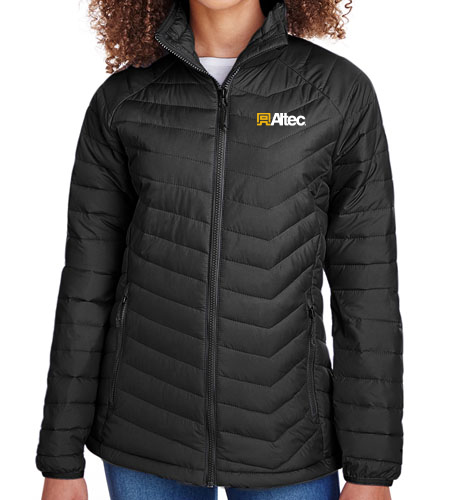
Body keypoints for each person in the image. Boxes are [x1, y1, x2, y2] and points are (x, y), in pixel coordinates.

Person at [36, 0, 404, 499]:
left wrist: (371, 472)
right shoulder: (123, 100)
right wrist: (60, 460)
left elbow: (368, 293)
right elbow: (86, 287)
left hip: (289, 442)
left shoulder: (336, 93)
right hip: (144, 437)